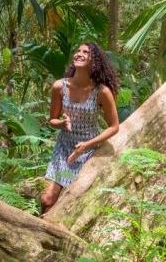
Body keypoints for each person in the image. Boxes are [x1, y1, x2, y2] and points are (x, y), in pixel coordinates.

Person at [40, 42, 120, 213]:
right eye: (78, 51)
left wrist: (87, 145)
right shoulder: (59, 87)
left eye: (86, 52)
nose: (79, 54)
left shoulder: (101, 92)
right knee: (47, 200)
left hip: (89, 153)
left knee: (75, 203)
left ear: (94, 61)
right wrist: (61, 123)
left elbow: (114, 127)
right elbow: (52, 120)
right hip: (64, 151)